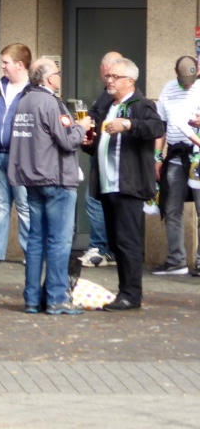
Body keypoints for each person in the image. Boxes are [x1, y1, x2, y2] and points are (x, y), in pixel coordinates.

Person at [8, 58, 92, 315]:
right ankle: (56, 298)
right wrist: (82, 127)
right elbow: (68, 141)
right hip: (55, 178)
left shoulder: (23, 102)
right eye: (57, 72)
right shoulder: (51, 103)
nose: (59, 76)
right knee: (59, 241)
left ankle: (32, 298)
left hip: (31, 179)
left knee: (35, 240)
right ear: (48, 79)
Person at [82, 57, 164, 311]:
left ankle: (131, 295)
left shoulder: (141, 104)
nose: (109, 81)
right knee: (116, 242)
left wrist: (129, 124)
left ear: (130, 80)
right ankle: (124, 291)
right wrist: (90, 144)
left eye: (115, 77)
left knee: (129, 241)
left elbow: (157, 127)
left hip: (128, 185)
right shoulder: (108, 105)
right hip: (108, 185)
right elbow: (104, 143)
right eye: (108, 76)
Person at [0, 44, 33, 264]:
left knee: (24, 205)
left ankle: (31, 252)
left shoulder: (33, 91)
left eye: (5, 63)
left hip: (21, 158)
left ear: (20, 65)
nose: (2, 67)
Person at [152, 56, 200, 276]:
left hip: (197, 155)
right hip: (175, 154)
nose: (188, 84)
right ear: (175, 73)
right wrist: (157, 156)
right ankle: (176, 261)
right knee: (171, 209)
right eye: (184, 80)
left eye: (191, 79)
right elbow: (161, 125)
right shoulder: (168, 90)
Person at [80, 52, 123, 269]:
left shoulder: (113, 97)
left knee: (94, 200)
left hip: (108, 158)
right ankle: (107, 249)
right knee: (98, 201)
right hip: (100, 154)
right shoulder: (106, 95)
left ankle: (100, 248)